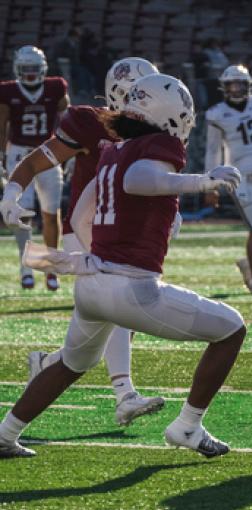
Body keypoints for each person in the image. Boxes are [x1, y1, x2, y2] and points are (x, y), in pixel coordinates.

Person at [0, 74, 247, 459]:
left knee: (71, 363)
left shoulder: (114, 149)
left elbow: (83, 210)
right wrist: (203, 182)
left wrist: (100, 251)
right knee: (232, 329)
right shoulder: (153, 145)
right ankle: (187, 425)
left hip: (94, 280)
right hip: (131, 286)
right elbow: (139, 180)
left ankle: (5, 434)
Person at [1, 57, 165, 427]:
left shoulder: (156, 129)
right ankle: (125, 395)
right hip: (87, 230)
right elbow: (35, 161)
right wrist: (11, 193)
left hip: (123, 231)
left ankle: (45, 365)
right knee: (121, 306)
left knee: (90, 343)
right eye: (143, 94)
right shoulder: (91, 123)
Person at [205, 65, 252, 294]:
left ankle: (249, 261)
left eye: (241, 84)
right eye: (232, 84)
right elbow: (213, 151)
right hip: (238, 177)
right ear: (225, 87)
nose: (237, 88)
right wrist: (211, 185)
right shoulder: (216, 114)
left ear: (248, 85)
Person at [0, 46, 69, 290]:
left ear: (43, 69)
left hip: (49, 152)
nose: (30, 74)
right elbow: (2, 125)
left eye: (34, 69)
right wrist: (1, 157)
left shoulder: (55, 88)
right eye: (26, 69)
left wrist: (68, 151)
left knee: (51, 213)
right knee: (22, 212)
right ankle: (25, 267)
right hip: (18, 153)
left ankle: (50, 269)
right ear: (18, 70)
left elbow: (68, 120)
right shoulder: (8, 91)